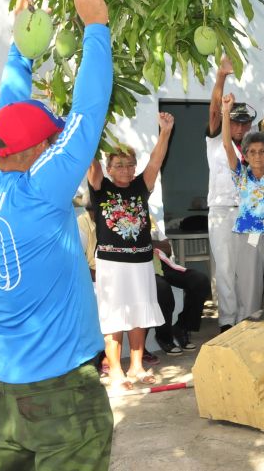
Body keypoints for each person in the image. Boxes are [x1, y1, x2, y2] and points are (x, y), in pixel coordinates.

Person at [0, 0, 113, 468]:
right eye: (47, 143)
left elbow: (5, 114)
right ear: (31, 154)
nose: (53, 148)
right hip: (61, 393)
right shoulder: (39, 192)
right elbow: (88, 117)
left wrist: (21, 50)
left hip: (7, 390)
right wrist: (95, 28)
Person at [206, 54, 264, 332]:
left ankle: (253, 320)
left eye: (246, 123)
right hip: (223, 211)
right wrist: (222, 76)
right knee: (225, 269)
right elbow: (214, 110)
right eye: (237, 123)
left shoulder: (253, 144)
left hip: (256, 218)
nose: (243, 127)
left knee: (250, 273)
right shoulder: (216, 138)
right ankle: (227, 321)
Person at [88, 116, 173, 389]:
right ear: (109, 168)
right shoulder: (101, 188)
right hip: (111, 265)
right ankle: (115, 370)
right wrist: (92, 126)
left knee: (139, 313)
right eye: (118, 165)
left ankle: (136, 367)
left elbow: (156, 161)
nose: (125, 169)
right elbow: (91, 160)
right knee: (113, 315)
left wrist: (165, 132)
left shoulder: (140, 186)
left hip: (140, 262)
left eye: (129, 165)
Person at [220, 91, 264, 321]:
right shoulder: (240, 175)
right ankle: (249, 338)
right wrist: (225, 112)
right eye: (252, 152)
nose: (258, 156)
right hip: (247, 238)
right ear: (246, 155)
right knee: (248, 293)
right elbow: (226, 144)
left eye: (262, 152)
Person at [151, 232, 211, 355]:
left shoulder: (148, 219)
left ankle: (182, 326)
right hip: (143, 268)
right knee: (162, 289)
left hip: (163, 264)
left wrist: (146, 244)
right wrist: (152, 244)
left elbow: (167, 249)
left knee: (200, 281)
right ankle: (164, 337)